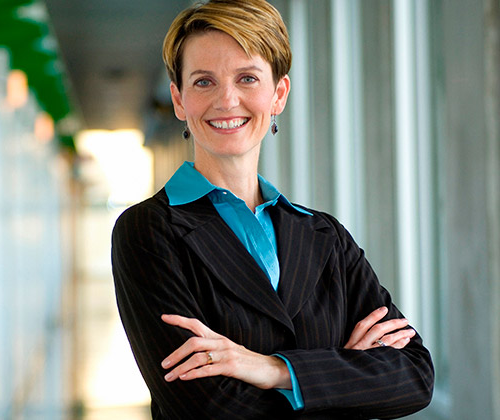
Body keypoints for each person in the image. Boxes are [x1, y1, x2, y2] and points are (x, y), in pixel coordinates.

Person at [111, 0, 434, 418]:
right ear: (178, 99)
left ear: (278, 94)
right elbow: (206, 409)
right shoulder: (148, 231)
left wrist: (273, 370)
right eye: (203, 82)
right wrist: (343, 376)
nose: (227, 100)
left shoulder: (325, 235)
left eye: (247, 78)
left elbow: (414, 376)